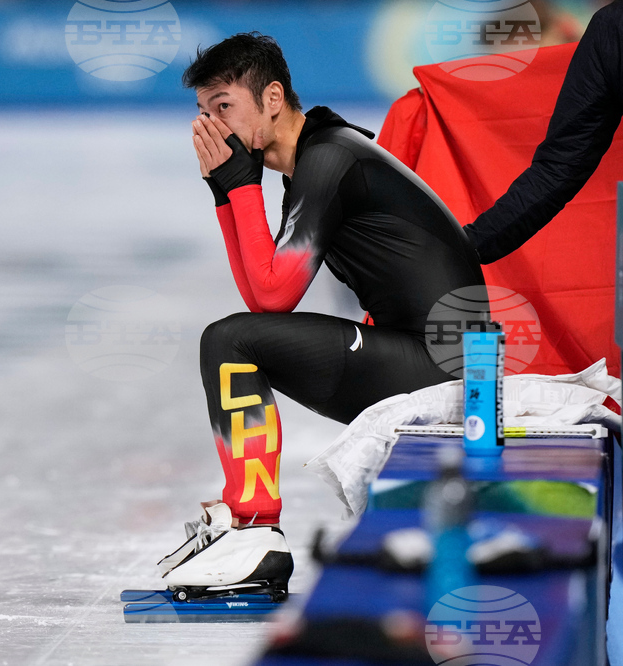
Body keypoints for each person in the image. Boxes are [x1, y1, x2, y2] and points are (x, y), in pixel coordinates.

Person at [156, 33, 487, 598]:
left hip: (445, 370)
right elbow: (260, 292)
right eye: (204, 113)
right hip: (430, 358)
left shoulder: (329, 158)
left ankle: (254, 527)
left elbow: (273, 297)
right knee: (232, 338)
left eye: (225, 108)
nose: (213, 128)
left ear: (273, 97)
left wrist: (238, 188)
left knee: (229, 340)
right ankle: (249, 524)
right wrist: (225, 193)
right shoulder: (311, 158)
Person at [463, 0, 622, 264]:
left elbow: (560, 166)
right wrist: (465, 247)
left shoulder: (610, 27)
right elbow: (560, 166)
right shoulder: (611, 28)